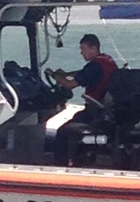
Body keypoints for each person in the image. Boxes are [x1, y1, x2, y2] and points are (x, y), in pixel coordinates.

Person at [51, 34, 119, 166]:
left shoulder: (94, 66)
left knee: (62, 131)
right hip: (109, 111)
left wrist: (55, 76)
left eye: (83, 49)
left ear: (93, 48)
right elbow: (83, 73)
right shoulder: (107, 60)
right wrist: (67, 74)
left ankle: (60, 164)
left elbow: (69, 85)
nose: (81, 53)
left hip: (96, 112)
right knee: (76, 116)